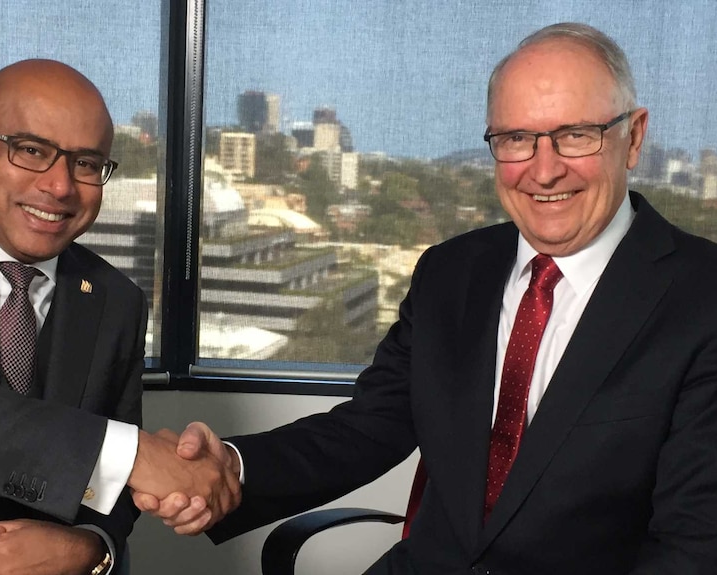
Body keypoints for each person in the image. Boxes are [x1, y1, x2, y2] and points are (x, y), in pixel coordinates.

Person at [142, 23, 717, 573]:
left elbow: (693, 545)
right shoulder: (451, 272)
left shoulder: (701, 300)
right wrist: (230, 468)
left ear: (633, 136)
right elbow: (368, 428)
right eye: (516, 138)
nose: (543, 170)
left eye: (575, 135)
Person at [0, 59, 238, 575]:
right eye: (32, 151)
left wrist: (88, 548)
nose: (60, 187)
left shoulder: (116, 299)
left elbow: (112, 498)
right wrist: (135, 457)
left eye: (85, 163)